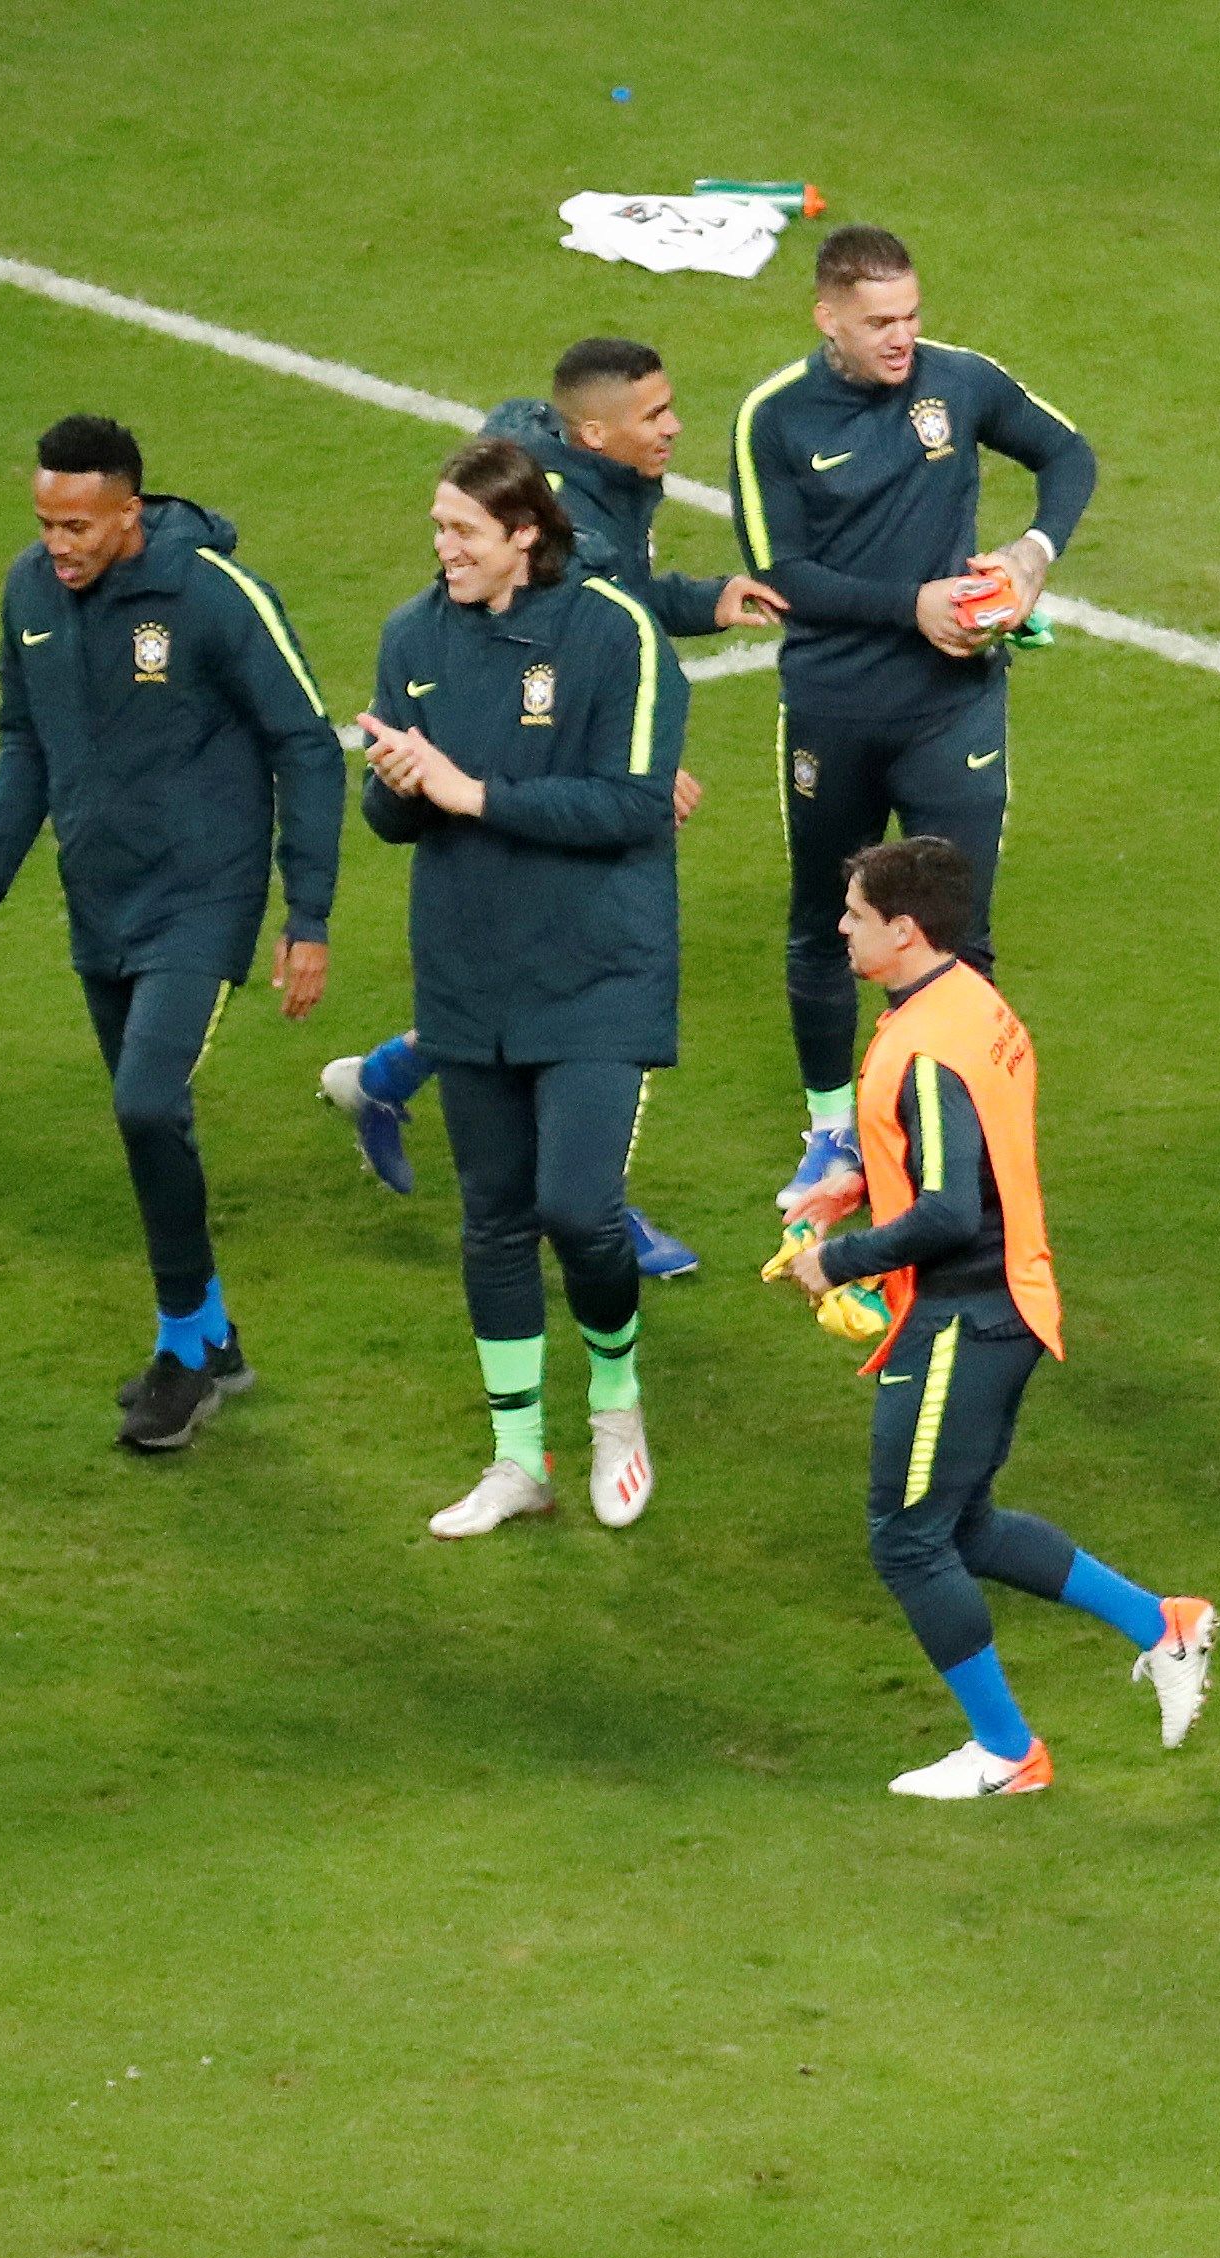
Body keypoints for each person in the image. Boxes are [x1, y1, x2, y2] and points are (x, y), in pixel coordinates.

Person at [322, 336, 787, 1278]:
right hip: (540, 757)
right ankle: (596, 1207)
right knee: (575, 955)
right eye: (654, 415)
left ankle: (379, 1080)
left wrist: (704, 600)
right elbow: (599, 625)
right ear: (592, 433)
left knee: (540, 955)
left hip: (557, 775)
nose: (674, 427)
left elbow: (626, 603)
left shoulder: (599, 492)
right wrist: (650, 776)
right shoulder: (556, 517)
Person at [0, 415, 344, 1454]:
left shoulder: (211, 595)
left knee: (148, 1099)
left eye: (78, 524)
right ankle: (214, 1332)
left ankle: (181, 1355)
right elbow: (24, 744)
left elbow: (308, 745)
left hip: (202, 897)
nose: (57, 543)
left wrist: (308, 916)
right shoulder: (30, 591)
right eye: (44, 522)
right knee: (148, 1122)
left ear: (130, 511)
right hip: (98, 897)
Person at [785, 837, 1217, 1797]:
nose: (840, 926)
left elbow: (946, 1211)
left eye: (855, 913)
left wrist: (836, 1261)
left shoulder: (926, 1046)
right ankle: (1165, 1625)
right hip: (1009, 1298)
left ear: (905, 929)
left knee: (906, 1539)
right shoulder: (968, 1002)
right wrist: (858, 1184)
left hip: (963, 1318)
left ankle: (1008, 1752)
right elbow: (960, 1158)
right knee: (961, 1524)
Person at [729, 223, 1098, 1211]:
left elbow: (1067, 454)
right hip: (834, 710)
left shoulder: (959, 382)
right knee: (821, 922)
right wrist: (912, 606)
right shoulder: (775, 417)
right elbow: (781, 573)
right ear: (828, 318)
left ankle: (955, 1147)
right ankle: (829, 1129)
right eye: (879, 322)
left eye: (912, 315)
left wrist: (1030, 554)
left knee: (958, 930)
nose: (902, 338)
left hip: (953, 710)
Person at [357, 437, 687, 1538]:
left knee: (577, 1209)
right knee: (494, 1223)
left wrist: (469, 792)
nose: (443, 548)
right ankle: (515, 1459)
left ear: (524, 535)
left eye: (463, 531)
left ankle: (614, 1403)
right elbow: (396, 815)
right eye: (438, 528)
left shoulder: (614, 633)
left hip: (597, 972)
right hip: (470, 970)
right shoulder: (414, 637)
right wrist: (402, 788)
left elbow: (635, 806)